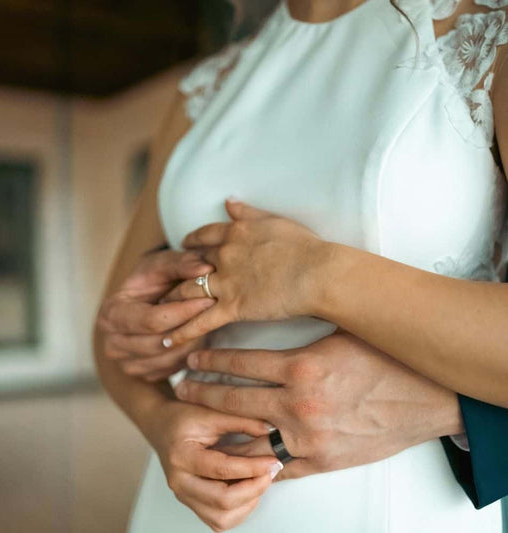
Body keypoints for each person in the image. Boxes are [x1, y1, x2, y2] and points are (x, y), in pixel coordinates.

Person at [93, 0, 508, 531]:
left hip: (390, 504)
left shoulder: (487, 38)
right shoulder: (204, 87)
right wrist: (158, 418)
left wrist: (315, 276)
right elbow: (109, 329)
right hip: (186, 505)